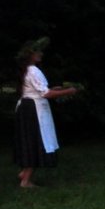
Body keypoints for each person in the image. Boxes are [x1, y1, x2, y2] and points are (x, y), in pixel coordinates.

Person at [13, 38, 78, 188]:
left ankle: (24, 173)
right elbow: (45, 94)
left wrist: (54, 89)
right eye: (37, 52)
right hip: (33, 111)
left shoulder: (27, 70)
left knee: (32, 140)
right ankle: (26, 181)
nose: (40, 54)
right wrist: (69, 91)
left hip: (27, 108)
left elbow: (38, 90)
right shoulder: (33, 70)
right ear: (30, 55)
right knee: (35, 141)